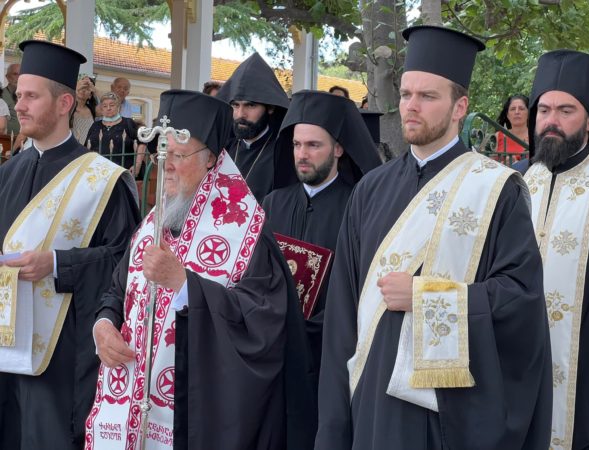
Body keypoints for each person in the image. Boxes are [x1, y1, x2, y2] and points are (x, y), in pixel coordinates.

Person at [315, 25, 552, 450]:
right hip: (369, 400)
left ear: (460, 107)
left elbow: (521, 298)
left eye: (427, 96)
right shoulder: (370, 189)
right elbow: (342, 316)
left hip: (445, 416)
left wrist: (426, 297)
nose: (411, 106)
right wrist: (334, 425)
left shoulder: (497, 190)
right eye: (406, 94)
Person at [86, 89, 316, 450]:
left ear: (211, 159)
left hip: (195, 414)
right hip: (130, 402)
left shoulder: (244, 232)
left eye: (178, 154)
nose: (167, 165)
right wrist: (102, 326)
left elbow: (262, 324)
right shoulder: (154, 223)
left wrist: (184, 284)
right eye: (162, 154)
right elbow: (118, 291)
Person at [0, 40, 140, 450]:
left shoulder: (103, 181)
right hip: (6, 344)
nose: (19, 106)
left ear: (64, 103)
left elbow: (124, 262)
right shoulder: (8, 172)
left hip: (62, 353)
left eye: (31, 96)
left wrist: (59, 264)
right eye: (18, 96)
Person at [263, 90, 381, 377]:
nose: (302, 155)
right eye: (297, 144)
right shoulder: (273, 203)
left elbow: (363, 284)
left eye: (313, 145)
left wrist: (312, 328)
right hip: (274, 345)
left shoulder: (359, 207)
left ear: (338, 149)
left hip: (332, 350)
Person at [522, 50, 589, 450]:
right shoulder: (513, 182)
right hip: (515, 367)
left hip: (586, 375)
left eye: (566, 110)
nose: (551, 120)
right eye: (544, 109)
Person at [217, 52, 289, 203]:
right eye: (235, 105)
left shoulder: (282, 155)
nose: (240, 114)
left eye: (250, 105)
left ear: (270, 108)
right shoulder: (223, 150)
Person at [85, 91, 146, 179]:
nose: (108, 108)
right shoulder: (95, 125)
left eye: (112, 105)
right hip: (99, 173)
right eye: (105, 106)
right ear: (101, 109)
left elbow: (142, 143)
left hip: (123, 173)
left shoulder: (128, 123)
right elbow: (87, 147)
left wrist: (137, 164)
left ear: (118, 107)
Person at [495, 94, 529, 163]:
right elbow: (487, 162)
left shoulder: (537, 137)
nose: (517, 112)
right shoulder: (498, 136)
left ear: (528, 113)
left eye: (521, 109)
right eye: (513, 109)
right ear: (508, 115)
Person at [71, 75, 97, 144]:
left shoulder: (92, 109)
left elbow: (110, 103)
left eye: (87, 88)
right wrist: (76, 88)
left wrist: (95, 90)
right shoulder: (69, 106)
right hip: (71, 146)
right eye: (82, 87)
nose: (83, 90)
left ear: (90, 96)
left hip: (86, 148)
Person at [2, 63, 20, 135]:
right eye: (15, 74)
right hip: (6, 139)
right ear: (7, 77)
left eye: (21, 74)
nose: (18, 77)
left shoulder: (28, 96)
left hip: (27, 140)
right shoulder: (1, 96)